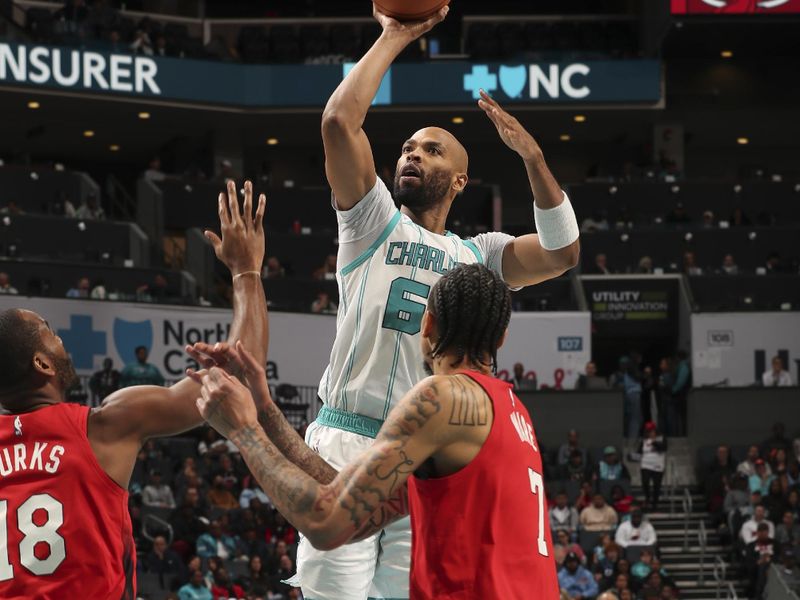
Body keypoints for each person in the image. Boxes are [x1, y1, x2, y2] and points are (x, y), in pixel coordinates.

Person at [261, 4, 579, 598]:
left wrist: (534, 161)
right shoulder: (371, 220)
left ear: (460, 180)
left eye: (432, 150)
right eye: (408, 147)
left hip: (427, 451)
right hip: (349, 437)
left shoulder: (477, 255)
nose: (412, 154)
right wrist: (393, 37)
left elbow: (563, 253)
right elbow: (337, 123)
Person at [190, 264, 560, 598]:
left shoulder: (441, 397)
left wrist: (243, 430)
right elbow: (358, 511)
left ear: (427, 324)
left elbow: (325, 523)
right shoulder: (513, 412)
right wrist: (264, 410)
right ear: (501, 339)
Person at [0, 180, 268, 598]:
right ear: (41, 363)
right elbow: (239, 378)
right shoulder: (105, 425)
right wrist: (245, 270)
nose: (60, 339)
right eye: (48, 332)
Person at [637, 421, 667, 510]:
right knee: (645, 482)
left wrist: (654, 442)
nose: (650, 432)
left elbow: (664, 448)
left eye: (651, 430)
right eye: (648, 431)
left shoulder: (661, 438)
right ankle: (647, 498)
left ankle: (655, 503)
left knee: (656, 485)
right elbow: (639, 451)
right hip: (645, 464)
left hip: (657, 465)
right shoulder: (644, 440)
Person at [744, 522, 776, 599]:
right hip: (756, 573)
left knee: (767, 566)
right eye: (760, 532)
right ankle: (759, 594)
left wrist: (769, 560)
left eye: (764, 532)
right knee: (762, 566)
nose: (762, 534)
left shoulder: (775, 544)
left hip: (773, 572)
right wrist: (758, 562)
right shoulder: (751, 546)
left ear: (768, 532)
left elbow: (779, 558)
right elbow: (748, 562)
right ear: (757, 533)